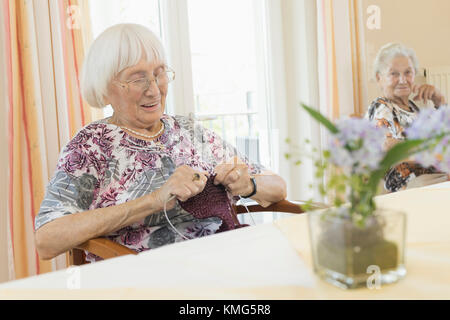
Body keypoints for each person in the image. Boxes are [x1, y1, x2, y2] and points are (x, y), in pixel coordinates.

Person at [34, 23, 287, 262]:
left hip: (224, 260)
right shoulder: (91, 146)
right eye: (137, 79)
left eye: (159, 74)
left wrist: (248, 185)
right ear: (105, 86)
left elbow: (277, 187)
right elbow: (47, 239)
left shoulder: (188, 130)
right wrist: (153, 200)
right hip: (147, 281)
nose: (154, 90)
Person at [365, 42, 448, 192]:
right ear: (379, 78)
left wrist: (439, 101)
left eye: (408, 72)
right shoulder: (381, 106)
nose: (402, 80)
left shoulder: (414, 109)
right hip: (409, 185)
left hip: (432, 176)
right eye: (393, 73)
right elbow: (388, 146)